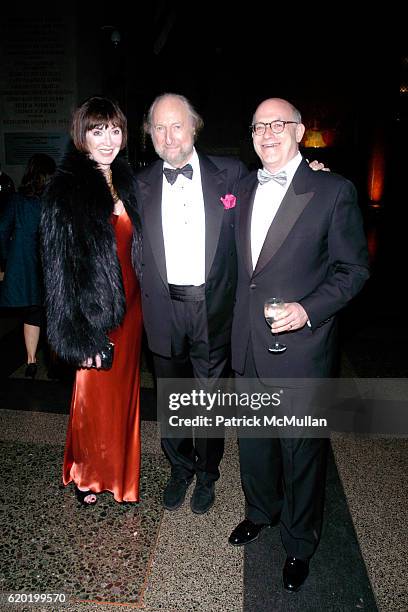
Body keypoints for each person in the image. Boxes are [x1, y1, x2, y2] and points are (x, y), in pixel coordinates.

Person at [229, 98, 369, 592]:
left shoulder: (332, 190)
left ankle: (299, 543)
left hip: (303, 351)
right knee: (255, 445)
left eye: (278, 124)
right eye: (258, 126)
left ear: (299, 130)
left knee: (302, 453)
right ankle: (260, 511)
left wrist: (309, 308)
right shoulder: (242, 188)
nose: (268, 133)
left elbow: (354, 270)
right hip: (247, 344)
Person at [135, 93, 248, 514]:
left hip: (212, 308)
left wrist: (311, 173)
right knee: (173, 396)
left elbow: (276, 191)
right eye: (158, 127)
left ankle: (207, 473)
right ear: (150, 134)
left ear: (194, 126)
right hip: (163, 310)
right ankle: (179, 468)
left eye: (176, 125)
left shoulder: (233, 174)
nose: (168, 136)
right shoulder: (139, 182)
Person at [40, 96, 142, 505]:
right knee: (93, 393)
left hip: (134, 308)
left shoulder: (131, 181)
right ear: (81, 135)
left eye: (114, 130)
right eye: (97, 130)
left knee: (122, 395)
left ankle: (119, 474)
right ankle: (88, 472)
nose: (107, 139)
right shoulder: (66, 189)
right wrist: (76, 332)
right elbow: (57, 269)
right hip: (93, 311)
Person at [0, 154, 56, 377]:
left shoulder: (17, 200)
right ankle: (55, 365)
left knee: (32, 312)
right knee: (53, 312)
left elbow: (2, 229)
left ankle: (31, 361)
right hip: (50, 262)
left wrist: (7, 258)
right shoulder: (53, 200)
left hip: (23, 263)